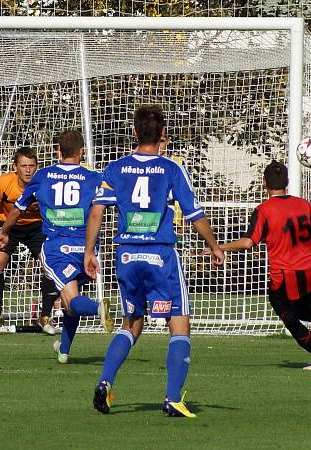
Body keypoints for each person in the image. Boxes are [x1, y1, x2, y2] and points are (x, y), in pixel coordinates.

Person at [85, 105, 224, 418]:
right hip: (161, 255)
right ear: (163, 134)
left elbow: (97, 211)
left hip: (126, 255)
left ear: (134, 133)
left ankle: (105, 381)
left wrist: (89, 252)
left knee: (132, 325)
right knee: (179, 326)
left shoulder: (116, 168)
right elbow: (194, 214)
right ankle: (172, 398)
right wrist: (214, 246)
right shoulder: (171, 169)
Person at [204, 161, 311, 371]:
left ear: (264, 183)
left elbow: (248, 242)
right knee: (310, 312)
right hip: (309, 274)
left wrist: (219, 247)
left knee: (292, 321)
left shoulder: (264, 210)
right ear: (288, 182)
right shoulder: (303, 205)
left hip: (284, 278)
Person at [0, 130, 113, 363]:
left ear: (58, 150)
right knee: (71, 301)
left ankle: (97, 308)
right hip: (87, 247)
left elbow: (18, 208)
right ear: (81, 152)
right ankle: (64, 350)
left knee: (71, 299)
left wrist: (4, 232)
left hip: (58, 248)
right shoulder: (94, 177)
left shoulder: (43, 176)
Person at [0, 147, 58, 336]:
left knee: (50, 262)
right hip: (7, 228)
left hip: (37, 227)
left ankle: (45, 316)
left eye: (32, 166)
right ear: (15, 168)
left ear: (37, 167)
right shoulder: (2, 183)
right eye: (23, 166)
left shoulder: (45, 184)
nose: (28, 170)